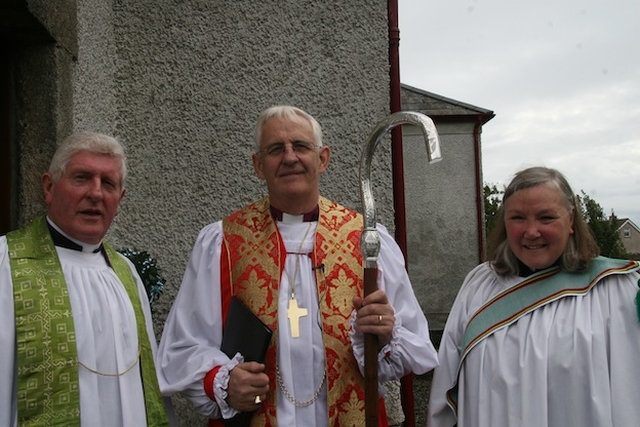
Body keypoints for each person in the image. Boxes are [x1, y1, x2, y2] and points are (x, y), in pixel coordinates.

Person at [156, 105, 438, 426]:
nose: (290, 157)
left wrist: (386, 335)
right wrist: (224, 381)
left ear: (323, 159)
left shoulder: (368, 241)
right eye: (276, 149)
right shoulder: (222, 242)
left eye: (301, 146)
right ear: (258, 165)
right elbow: (182, 346)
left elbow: (413, 344)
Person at [427, 166, 640, 427]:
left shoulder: (615, 290)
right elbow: (448, 378)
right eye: (517, 218)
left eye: (546, 218)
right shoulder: (479, 286)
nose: (531, 232)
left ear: (571, 221)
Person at [0, 131, 174, 426]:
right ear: (49, 187)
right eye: (82, 178)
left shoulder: (125, 273)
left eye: (108, 183)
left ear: (119, 201)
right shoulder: (6, 262)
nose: (95, 193)